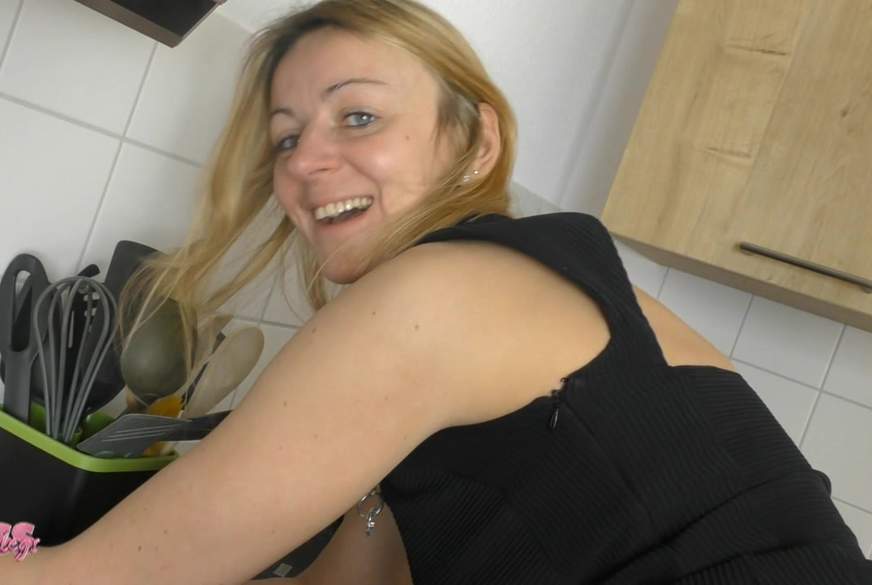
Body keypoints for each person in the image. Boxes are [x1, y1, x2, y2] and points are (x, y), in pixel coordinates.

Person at [2, 1, 871, 583]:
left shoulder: (441, 297)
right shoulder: (506, 304)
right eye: (286, 137)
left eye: (358, 116)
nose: (304, 163)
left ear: (475, 141)